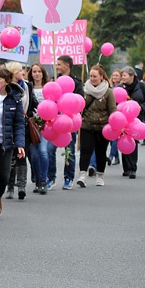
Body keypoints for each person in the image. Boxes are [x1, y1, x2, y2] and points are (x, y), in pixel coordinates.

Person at [0, 68, 26, 220]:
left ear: (7, 81)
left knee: (3, 176)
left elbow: (19, 124)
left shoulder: (14, 98)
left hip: (5, 144)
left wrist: (20, 144)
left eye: (0, 78)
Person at [76, 65, 117, 187]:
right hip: (87, 126)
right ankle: (82, 175)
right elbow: (80, 106)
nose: (92, 79)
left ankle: (100, 175)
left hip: (103, 128)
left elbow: (112, 109)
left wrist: (115, 122)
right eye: (91, 76)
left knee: (101, 152)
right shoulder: (85, 90)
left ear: (101, 77)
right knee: (85, 150)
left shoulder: (108, 92)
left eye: (95, 76)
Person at [50, 55, 84, 190]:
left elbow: (80, 103)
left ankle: (68, 178)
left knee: (69, 151)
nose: (57, 66)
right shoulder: (54, 82)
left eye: (59, 64)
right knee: (50, 150)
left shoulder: (77, 83)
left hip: (70, 122)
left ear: (67, 66)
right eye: (56, 64)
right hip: (55, 122)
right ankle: (50, 177)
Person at [5, 61, 36, 200]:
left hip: (23, 124)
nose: (22, 73)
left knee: (22, 154)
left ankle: (22, 186)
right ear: (12, 72)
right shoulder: (8, 87)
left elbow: (33, 102)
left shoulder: (27, 85)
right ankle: (10, 186)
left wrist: (35, 113)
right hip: (9, 124)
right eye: (19, 71)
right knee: (11, 156)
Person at [119, 66, 145, 179]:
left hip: (136, 119)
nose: (122, 78)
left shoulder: (142, 86)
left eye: (124, 75)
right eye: (122, 75)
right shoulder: (120, 88)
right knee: (123, 141)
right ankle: (126, 168)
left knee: (133, 143)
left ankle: (132, 168)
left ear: (132, 75)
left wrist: (141, 107)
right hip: (122, 119)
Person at [27, 63, 51, 194]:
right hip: (32, 124)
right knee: (34, 155)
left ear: (43, 73)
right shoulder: (28, 87)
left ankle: (43, 180)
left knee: (43, 151)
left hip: (46, 125)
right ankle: (37, 180)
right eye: (34, 71)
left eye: (39, 72)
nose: (37, 74)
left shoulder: (48, 87)